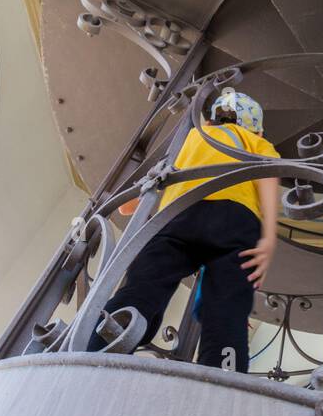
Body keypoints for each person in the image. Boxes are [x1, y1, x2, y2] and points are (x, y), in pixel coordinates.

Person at [89, 88, 280, 371]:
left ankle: (102, 346)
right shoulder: (254, 142)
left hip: (177, 214)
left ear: (211, 120)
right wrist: (269, 237)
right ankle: (224, 372)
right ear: (258, 131)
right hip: (235, 219)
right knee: (227, 308)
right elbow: (268, 179)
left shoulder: (191, 138)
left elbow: (127, 206)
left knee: (144, 286)